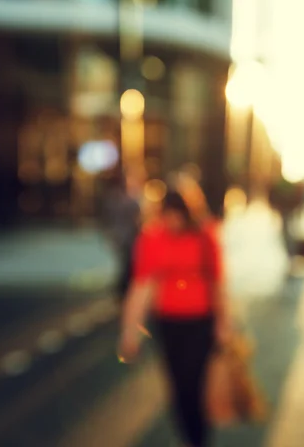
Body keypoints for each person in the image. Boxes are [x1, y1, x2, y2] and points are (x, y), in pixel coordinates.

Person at [118, 190, 231, 447]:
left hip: (201, 321)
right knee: (178, 385)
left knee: (195, 384)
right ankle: (190, 437)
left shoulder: (205, 235)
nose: (172, 222)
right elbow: (141, 287)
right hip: (168, 323)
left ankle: (198, 438)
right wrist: (129, 332)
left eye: (177, 215)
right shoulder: (152, 238)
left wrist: (224, 324)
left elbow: (218, 283)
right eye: (167, 215)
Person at [99, 172, 142, 302]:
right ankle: (124, 289)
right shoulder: (129, 200)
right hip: (128, 236)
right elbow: (137, 217)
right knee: (127, 263)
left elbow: (106, 218)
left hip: (118, 235)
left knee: (123, 262)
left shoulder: (111, 199)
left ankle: (122, 289)